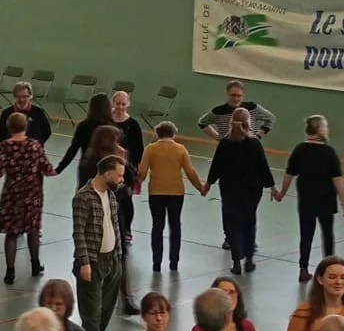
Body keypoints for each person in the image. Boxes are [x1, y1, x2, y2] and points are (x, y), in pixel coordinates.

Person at [274, 115, 344, 280]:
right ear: (320, 130)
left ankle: (303, 268)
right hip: (325, 199)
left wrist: (282, 193)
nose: (327, 129)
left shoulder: (300, 149)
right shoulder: (329, 152)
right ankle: (328, 267)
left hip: (306, 198)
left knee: (306, 235)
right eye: (325, 127)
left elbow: (289, 174)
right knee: (327, 234)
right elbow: (337, 180)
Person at [72, 153, 127, 331]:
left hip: (112, 260)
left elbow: (114, 226)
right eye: (119, 175)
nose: (121, 179)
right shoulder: (83, 197)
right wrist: (85, 262)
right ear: (107, 173)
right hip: (93, 264)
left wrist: (118, 257)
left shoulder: (111, 195)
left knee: (105, 312)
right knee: (92, 316)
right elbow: (78, 232)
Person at [208, 108, 272, 273]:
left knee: (233, 224)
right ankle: (249, 260)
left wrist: (208, 183)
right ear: (248, 123)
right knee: (249, 222)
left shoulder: (225, 143)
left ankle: (236, 262)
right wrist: (272, 186)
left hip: (230, 188)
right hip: (252, 189)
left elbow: (216, 165)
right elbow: (263, 167)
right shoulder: (254, 143)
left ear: (231, 122)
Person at [0, 111, 51, 282]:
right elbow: (47, 168)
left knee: (11, 233)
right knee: (33, 231)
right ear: (26, 126)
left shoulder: (5, 146)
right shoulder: (35, 146)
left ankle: (10, 271)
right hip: (32, 194)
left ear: (9, 128)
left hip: (12, 194)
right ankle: (35, 264)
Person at [137, 121, 205, 271]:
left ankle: (156, 262)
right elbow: (190, 171)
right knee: (175, 225)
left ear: (157, 134)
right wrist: (200, 187)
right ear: (173, 134)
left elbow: (142, 172)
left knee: (157, 226)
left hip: (156, 192)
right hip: (176, 193)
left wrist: (135, 185)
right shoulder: (180, 149)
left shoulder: (150, 149)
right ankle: (174, 261)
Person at [110, 90, 145, 253]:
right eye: (118, 103)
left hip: (126, 168)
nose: (120, 107)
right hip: (108, 167)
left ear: (128, 104)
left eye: (123, 104)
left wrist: (135, 170)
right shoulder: (106, 121)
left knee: (126, 199)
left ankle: (126, 230)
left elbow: (139, 149)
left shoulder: (133, 125)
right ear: (113, 103)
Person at [56, 91, 114, 187]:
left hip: (86, 167)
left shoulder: (83, 126)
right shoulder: (112, 128)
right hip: (105, 169)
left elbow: (73, 149)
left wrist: (60, 168)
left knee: (83, 193)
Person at [198, 79, 276, 140]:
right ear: (227, 94)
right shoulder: (218, 111)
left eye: (239, 95)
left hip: (249, 147)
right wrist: (217, 137)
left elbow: (271, 118)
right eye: (233, 95)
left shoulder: (252, 108)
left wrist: (259, 135)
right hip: (228, 148)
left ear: (243, 95)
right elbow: (202, 123)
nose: (236, 99)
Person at [0, 81, 52, 147]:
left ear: (30, 96)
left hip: (34, 150)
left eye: (25, 97)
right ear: (14, 96)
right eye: (18, 96)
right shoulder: (7, 113)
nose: (21, 100)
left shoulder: (39, 112)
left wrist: (37, 145)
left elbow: (47, 132)